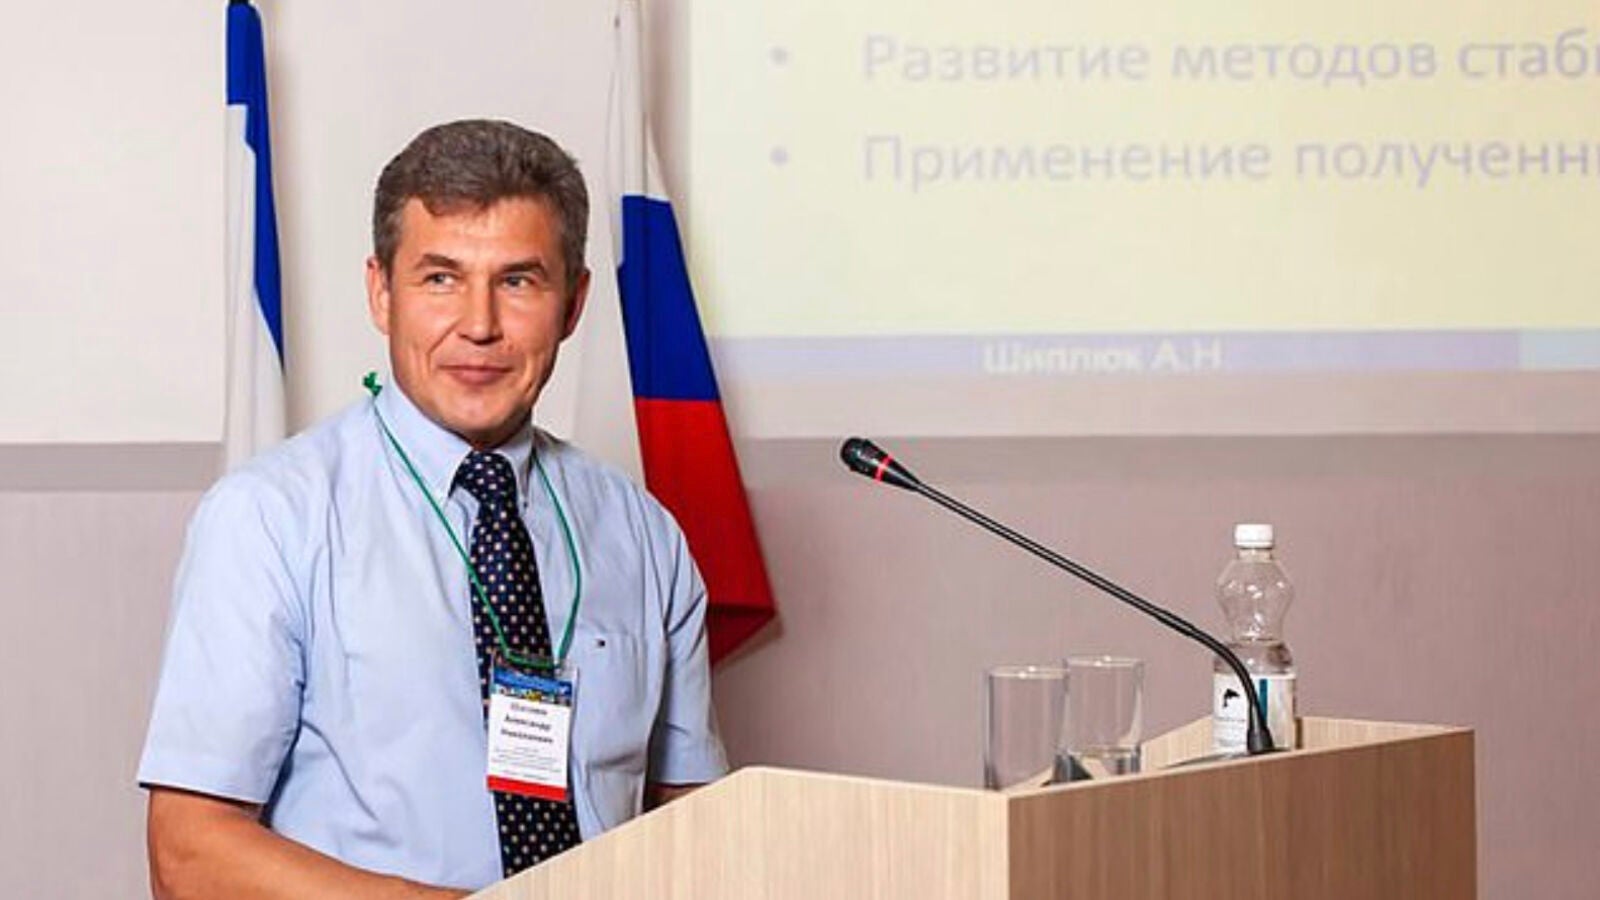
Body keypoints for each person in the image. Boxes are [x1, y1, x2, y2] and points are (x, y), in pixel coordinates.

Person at [138, 120, 727, 899]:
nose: (479, 326)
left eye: (519, 281)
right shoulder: (271, 520)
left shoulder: (643, 536)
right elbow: (188, 855)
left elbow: (700, 832)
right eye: (441, 278)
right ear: (382, 293)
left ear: (574, 303)